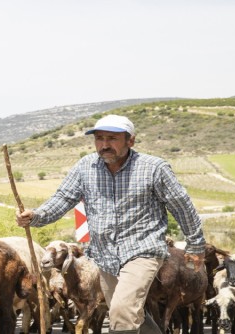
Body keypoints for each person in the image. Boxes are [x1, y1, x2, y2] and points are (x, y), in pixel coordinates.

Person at [16, 114, 205, 334]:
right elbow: (63, 198)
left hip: (143, 250)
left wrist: (195, 245)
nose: (104, 145)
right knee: (131, 315)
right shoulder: (85, 167)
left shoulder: (154, 168)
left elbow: (182, 206)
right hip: (105, 256)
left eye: (112, 138)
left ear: (130, 141)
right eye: (99, 138)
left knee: (122, 311)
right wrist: (36, 216)